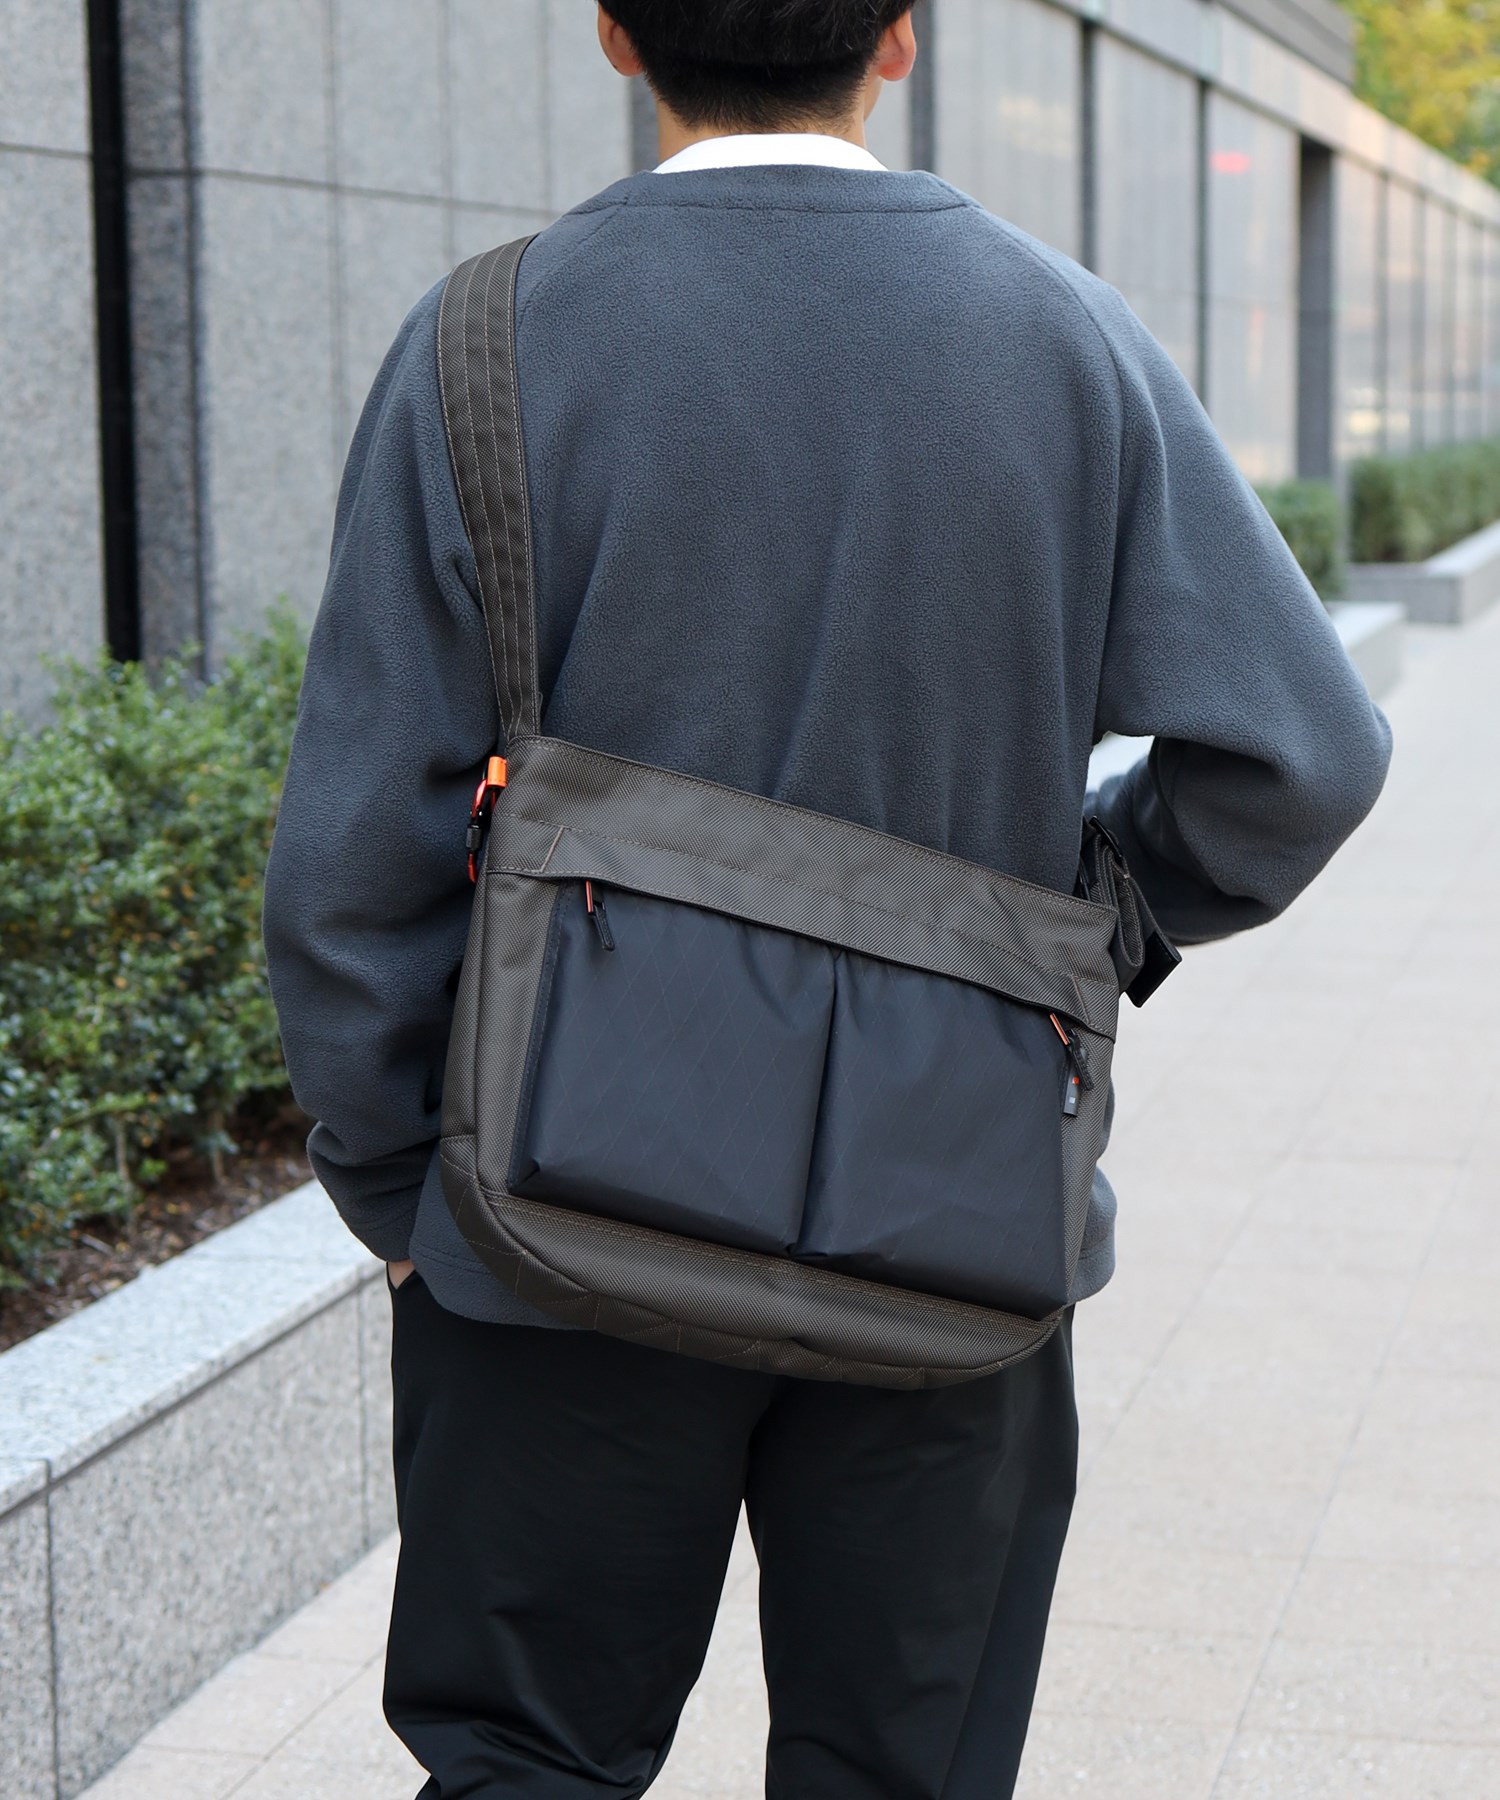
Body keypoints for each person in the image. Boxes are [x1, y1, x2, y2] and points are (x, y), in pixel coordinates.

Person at [262, 4, 1392, 1794]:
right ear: (901, 37)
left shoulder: (488, 336)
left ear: (616, 34)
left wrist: (401, 1190)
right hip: (953, 1234)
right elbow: (1304, 757)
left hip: (554, 1217)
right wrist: (1094, 918)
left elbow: (352, 854)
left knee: (524, 1766)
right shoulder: (1067, 339)